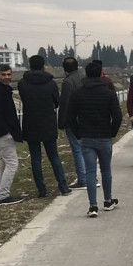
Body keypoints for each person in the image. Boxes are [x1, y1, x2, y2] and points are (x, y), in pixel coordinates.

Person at [66, 60, 123, 217]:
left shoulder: (77, 94)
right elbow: (117, 116)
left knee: (90, 171)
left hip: (86, 137)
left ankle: (92, 206)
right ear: (100, 73)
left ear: (86, 74)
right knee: (106, 169)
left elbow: (70, 117)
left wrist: (78, 133)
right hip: (104, 136)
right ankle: (108, 200)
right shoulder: (109, 93)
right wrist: (112, 132)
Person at [18, 54, 70, 198]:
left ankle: (41, 190)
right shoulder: (51, 83)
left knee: (35, 158)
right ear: (43, 66)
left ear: (30, 65)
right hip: (48, 122)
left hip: (30, 123)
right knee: (53, 155)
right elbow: (57, 102)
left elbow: (23, 98)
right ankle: (63, 186)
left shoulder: (22, 83)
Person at [0, 64, 24, 206]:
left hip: (2, 133)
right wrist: (7, 130)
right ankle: (3, 196)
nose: (7, 77)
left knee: (3, 164)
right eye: (3, 75)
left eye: (9, 74)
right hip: (3, 134)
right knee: (12, 163)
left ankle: (1, 193)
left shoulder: (1, 90)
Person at [58, 56, 89, 189]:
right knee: (86, 149)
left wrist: (61, 121)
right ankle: (90, 176)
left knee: (77, 149)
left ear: (64, 69)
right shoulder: (84, 79)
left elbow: (64, 103)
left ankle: (82, 179)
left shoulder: (67, 82)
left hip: (73, 120)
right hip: (85, 118)